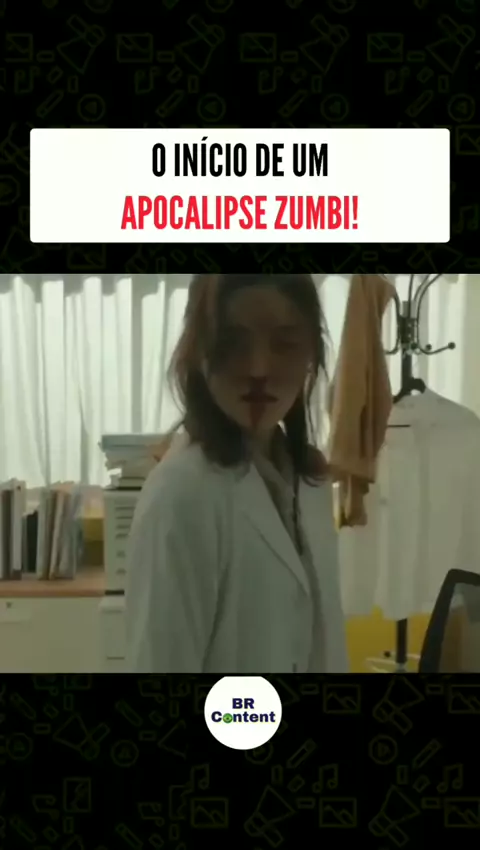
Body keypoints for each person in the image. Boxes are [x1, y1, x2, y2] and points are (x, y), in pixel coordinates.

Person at [124, 273, 349, 673]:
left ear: (311, 355)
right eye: (233, 343)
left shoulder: (308, 480)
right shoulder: (182, 493)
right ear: (198, 353)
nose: (259, 368)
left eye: (284, 344)